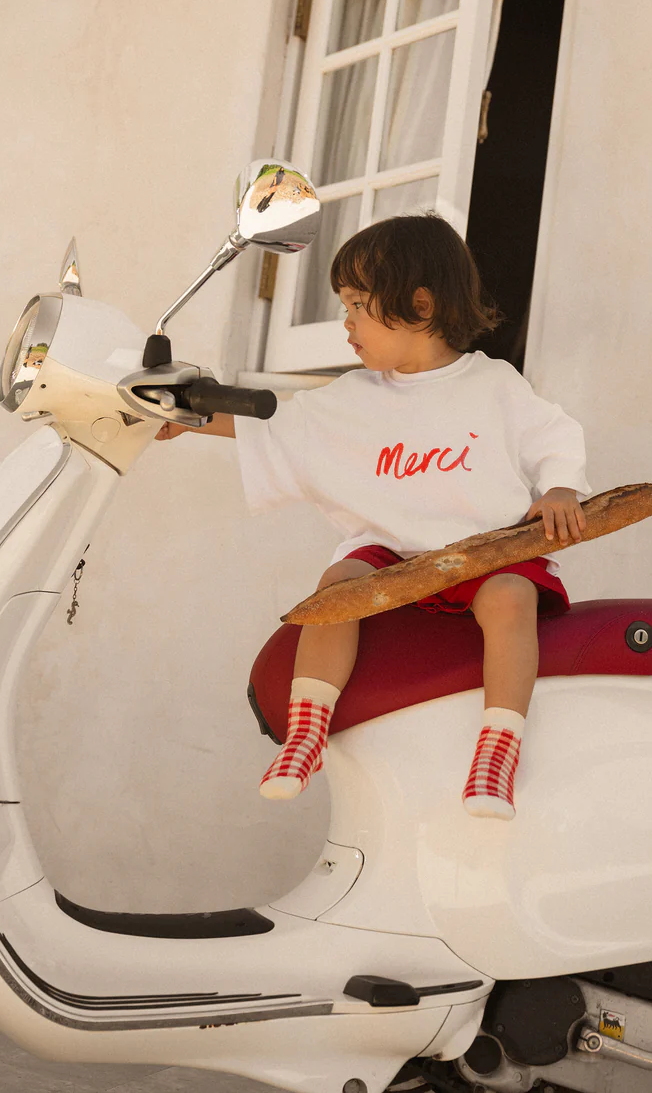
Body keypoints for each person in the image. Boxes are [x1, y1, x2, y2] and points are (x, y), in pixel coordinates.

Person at [156, 213, 589, 820]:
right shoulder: (353, 397)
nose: (346, 323)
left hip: (486, 551)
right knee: (336, 590)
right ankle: (308, 736)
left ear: (419, 304)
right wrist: (186, 415)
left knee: (512, 597)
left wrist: (562, 487)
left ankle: (497, 747)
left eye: (358, 304)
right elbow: (276, 422)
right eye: (344, 305)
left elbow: (555, 436)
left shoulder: (494, 385)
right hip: (389, 553)